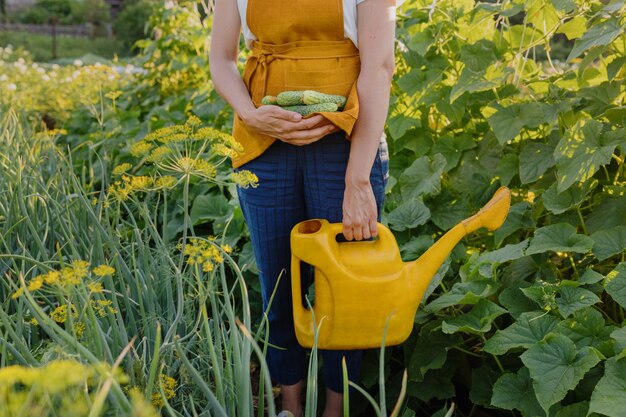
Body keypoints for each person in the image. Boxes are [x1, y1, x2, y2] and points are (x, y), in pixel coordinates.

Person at [209, 0, 402, 415]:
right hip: (265, 144)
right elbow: (221, 59)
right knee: (279, 285)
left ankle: (336, 407)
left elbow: (378, 69)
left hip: (348, 145)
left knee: (345, 292)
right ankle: (290, 403)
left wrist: (357, 180)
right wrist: (249, 114)